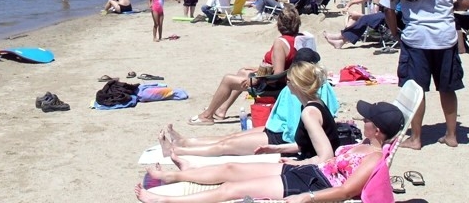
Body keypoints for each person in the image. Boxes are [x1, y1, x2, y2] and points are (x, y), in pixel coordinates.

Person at [135, 100, 405, 203]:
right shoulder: (364, 144)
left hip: (313, 183)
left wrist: (309, 198)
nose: (363, 120)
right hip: (309, 170)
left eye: (368, 120)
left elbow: (346, 191)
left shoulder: (373, 159)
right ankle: (175, 177)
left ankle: (165, 201)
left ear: (377, 130)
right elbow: (332, 161)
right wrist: (301, 160)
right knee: (232, 169)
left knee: (233, 188)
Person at [382, 0, 469, 149]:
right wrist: (449, 7)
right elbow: (466, 2)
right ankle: (451, 135)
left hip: (415, 38)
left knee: (416, 89)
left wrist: (395, 32)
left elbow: (388, 8)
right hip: (444, 38)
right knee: (447, 88)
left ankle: (416, 138)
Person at [161, 54, 339, 158]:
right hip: (276, 131)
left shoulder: (309, 100)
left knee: (227, 146)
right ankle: (184, 142)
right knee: (231, 138)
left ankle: (177, 150)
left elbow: (307, 130)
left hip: (282, 136)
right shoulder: (314, 92)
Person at [189, 6, 301, 125]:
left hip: (273, 86)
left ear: (280, 23)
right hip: (281, 80)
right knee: (243, 71)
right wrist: (259, 69)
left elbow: (278, 74)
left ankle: (207, 115)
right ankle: (222, 110)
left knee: (228, 79)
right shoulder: (297, 39)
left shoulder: (280, 42)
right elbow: (285, 65)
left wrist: (256, 80)